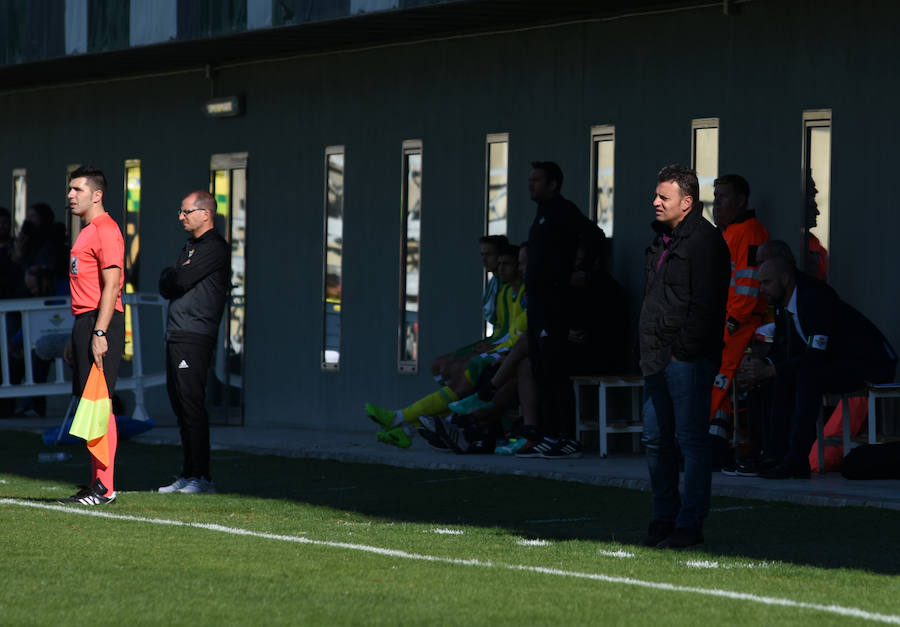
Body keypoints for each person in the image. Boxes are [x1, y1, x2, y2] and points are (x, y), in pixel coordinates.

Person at [638, 164, 730, 549]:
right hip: (657, 358)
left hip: (685, 361)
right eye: (657, 195)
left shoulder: (704, 243)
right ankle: (664, 519)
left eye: (665, 197)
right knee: (656, 439)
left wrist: (681, 354)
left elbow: (706, 307)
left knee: (691, 441)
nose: (656, 202)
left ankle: (689, 524)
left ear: (687, 202)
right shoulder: (664, 240)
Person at [738, 255, 896, 478]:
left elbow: (814, 354)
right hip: (837, 361)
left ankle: (796, 460)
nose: (762, 289)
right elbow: (785, 351)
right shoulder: (784, 302)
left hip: (871, 364)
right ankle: (774, 455)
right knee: (783, 377)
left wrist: (772, 369)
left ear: (784, 278)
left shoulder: (813, 297)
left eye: (766, 282)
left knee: (807, 376)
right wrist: (760, 366)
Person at [367, 244, 526, 448]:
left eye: (493, 256)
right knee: (443, 367)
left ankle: (403, 421)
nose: (491, 262)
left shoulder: (522, 291)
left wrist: (494, 349)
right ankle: (408, 425)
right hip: (501, 348)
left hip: (507, 352)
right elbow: (505, 331)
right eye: (484, 255)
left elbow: (514, 334)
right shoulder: (504, 289)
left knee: (466, 373)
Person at [521, 161, 604, 458]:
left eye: (537, 180)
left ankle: (567, 437)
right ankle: (550, 433)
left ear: (553, 183)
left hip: (555, 305)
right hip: (538, 305)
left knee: (556, 370)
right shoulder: (541, 215)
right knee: (540, 370)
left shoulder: (563, 211)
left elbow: (595, 235)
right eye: (530, 179)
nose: (530, 184)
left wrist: (580, 269)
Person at [58, 166, 125, 506]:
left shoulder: (106, 229)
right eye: (70, 189)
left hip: (102, 322)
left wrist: (99, 331)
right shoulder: (86, 231)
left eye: (78, 189)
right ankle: (97, 482)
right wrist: (78, 333)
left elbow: (112, 285)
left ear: (97, 194)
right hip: (85, 321)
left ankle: (105, 487)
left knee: (101, 405)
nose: (71, 195)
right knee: (91, 405)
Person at [157, 191, 230, 495]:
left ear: (205, 213)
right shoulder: (190, 246)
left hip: (194, 335)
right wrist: (172, 276)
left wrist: (173, 276)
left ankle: (202, 476)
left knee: (191, 404)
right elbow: (166, 282)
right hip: (177, 333)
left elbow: (179, 281)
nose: (181, 217)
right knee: (179, 404)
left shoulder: (214, 247)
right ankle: (188, 472)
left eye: (186, 211)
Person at [708, 174, 769, 468]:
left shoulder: (750, 232)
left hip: (741, 326)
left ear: (741, 200)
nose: (717, 202)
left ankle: (721, 448)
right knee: (717, 387)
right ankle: (714, 445)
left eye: (723, 196)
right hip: (727, 324)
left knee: (723, 384)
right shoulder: (730, 232)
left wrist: (732, 323)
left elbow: (748, 285)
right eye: (715, 195)